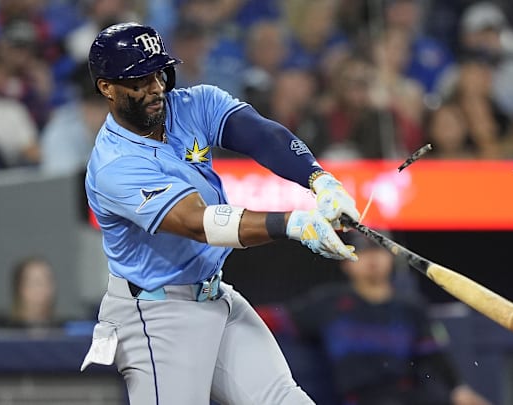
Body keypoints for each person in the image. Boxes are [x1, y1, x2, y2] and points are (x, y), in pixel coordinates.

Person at [80, 23, 360, 405]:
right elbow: (199, 223)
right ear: (107, 88)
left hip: (213, 293)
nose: (156, 88)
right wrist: (291, 224)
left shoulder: (193, 104)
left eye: (158, 73)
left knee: (285, 399)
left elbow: (261, 135)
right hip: (156, 315)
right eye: (139, 80)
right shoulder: (114, 165)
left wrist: (320, 180)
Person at [257, 231, 490, 405]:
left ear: (391, 258)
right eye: (362, 252)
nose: (372, 260)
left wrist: (459, 389)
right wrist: (231, 311)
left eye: (379, 251)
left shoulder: (410, 307)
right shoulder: (329, 304)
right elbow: (277, 319)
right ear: (346, 262)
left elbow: (434, 357)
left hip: (406, 398)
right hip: (356, 398)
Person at [0, 256, 61, 330]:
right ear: (20, 287)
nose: (45, 288)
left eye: (48, 281)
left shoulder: (61, 329)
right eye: (37, 282)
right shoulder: (1, 329)